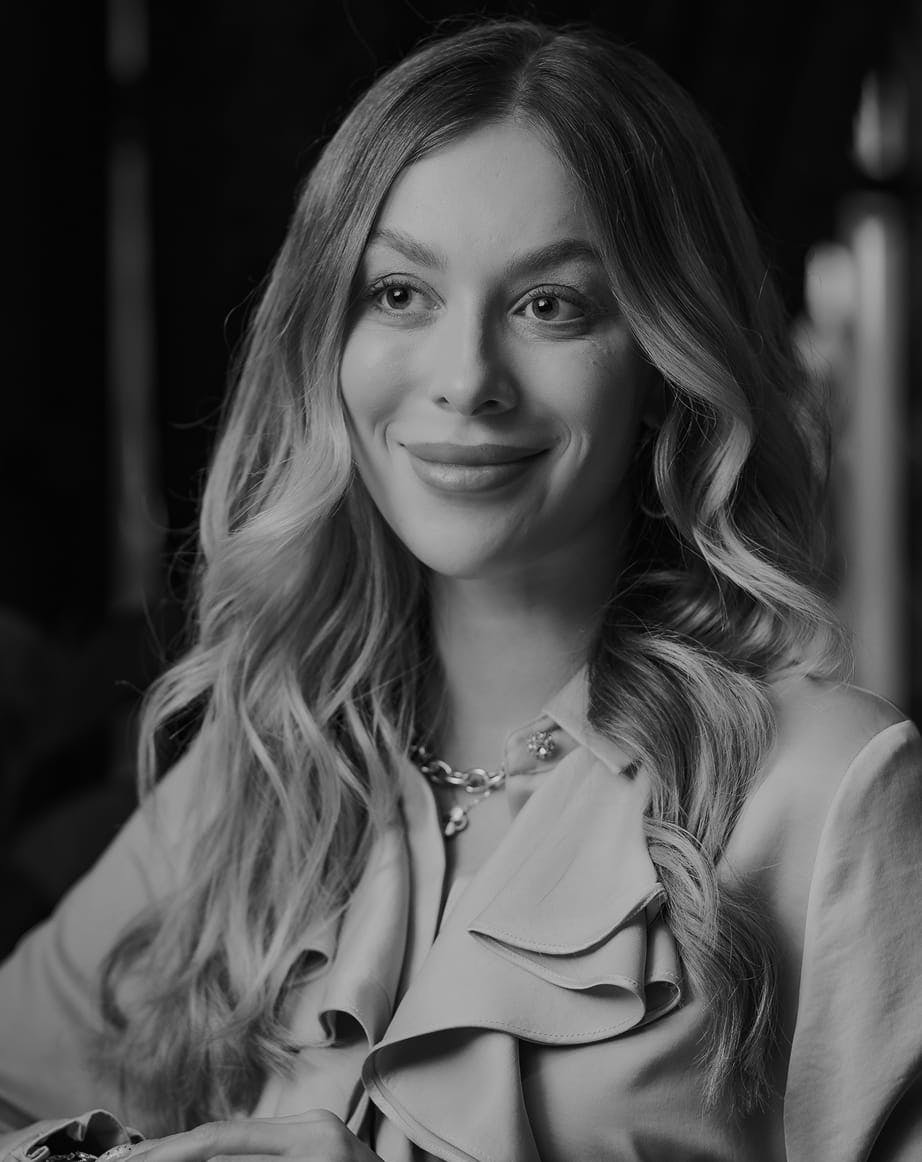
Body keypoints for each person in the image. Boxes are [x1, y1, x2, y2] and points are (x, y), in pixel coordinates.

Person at [2, 17, 921, 1162]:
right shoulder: (267, 764)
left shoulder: (829, 788)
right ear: (327, 339)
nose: (466, 379)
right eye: (399, 293)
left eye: (551, 305)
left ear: (662, 359)